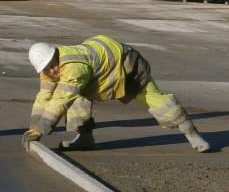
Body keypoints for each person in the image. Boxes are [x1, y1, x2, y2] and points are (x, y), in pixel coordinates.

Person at [22, 35, 210, 153]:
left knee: (152, 98)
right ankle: (85, 138)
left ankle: (190, 132)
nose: (53, 71)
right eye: (48, 69)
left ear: (56, 55)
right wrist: (33, 127)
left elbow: (60, 99)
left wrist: (43, 128)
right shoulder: (47, 71)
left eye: (53, 65)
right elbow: (44, 97)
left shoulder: (73, 67)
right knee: (77, 98)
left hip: (126, 63)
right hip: (101, 71)